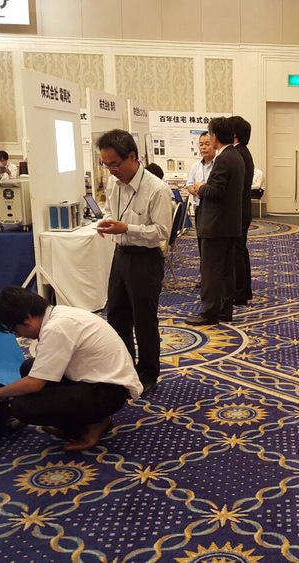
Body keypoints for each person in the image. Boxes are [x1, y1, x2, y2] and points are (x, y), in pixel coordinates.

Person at [0, 287, 143, 452]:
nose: (19, 335)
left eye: (15, 330)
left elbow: (34, 384)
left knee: (21, 407)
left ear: (27, 317)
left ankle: (93, 424)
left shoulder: (56, 329)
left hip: (108, 392)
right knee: (29, 368)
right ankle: (78, 422)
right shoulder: (58, 314)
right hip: (103, 380)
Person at [95, 129, 173, 393]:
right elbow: (109, 210)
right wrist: (107, 222)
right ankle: (125, 368)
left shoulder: (157, 189)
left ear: (132, 157)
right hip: (120, 255)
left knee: (144, 319)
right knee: (116, 315)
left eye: (115, 164)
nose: (111, 171)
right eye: (106, 165)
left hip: (145, 259)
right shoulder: (113, 183)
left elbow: (162, 232)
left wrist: (127, 228)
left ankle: (148, 373)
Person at [185, 117, 244, 325]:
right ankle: (224, 310)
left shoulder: (223, 159)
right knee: (227, 270)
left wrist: (201, 187)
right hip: (229, 223)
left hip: (216, 225)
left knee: (211, 271)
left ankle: (210, 312)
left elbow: (217, 191)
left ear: (215, 136)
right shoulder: (236, 156)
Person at [230, 116, 255, 306]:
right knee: (240, 250)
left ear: (234, 134)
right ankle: (243, 290)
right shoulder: (244, 152)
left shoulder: (237, 154)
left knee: (237, 251)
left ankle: (239, 292)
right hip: (242, 209)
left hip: (237, 211)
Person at [187, 132, 216, 287]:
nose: (203, 147)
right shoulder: (195, 166)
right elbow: (189, 185)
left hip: (214, 210)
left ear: (214, 145)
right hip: (199, 208)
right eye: (201, 144)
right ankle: (204, 277)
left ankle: (214, 278)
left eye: (207, 144)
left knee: (213, 245)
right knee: (201, 243)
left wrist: (203, 189)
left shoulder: (219, 164)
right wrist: (196, 191)